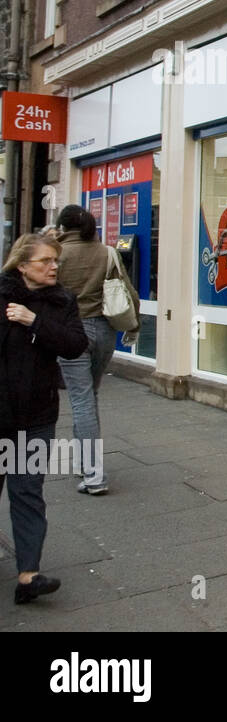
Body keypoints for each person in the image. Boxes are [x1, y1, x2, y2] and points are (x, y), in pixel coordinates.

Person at [1, 233, 89, 603]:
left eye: (56, 261)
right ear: (23, 266)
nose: (54, 267)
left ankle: (28, 575)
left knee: (28, 493)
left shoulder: (61, 301)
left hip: (36, 415)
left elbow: (74, 344)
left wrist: (34, 321)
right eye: (45, 261)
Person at [54, 204, 139, 496]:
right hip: (103, 331)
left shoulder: (56, 255)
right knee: (90, 396)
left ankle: (93, 475)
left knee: (81, 399)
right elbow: (128, 292)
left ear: (63, 227)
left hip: (71, 332)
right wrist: (133, 326)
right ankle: (84, 463)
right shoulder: (107, 252)